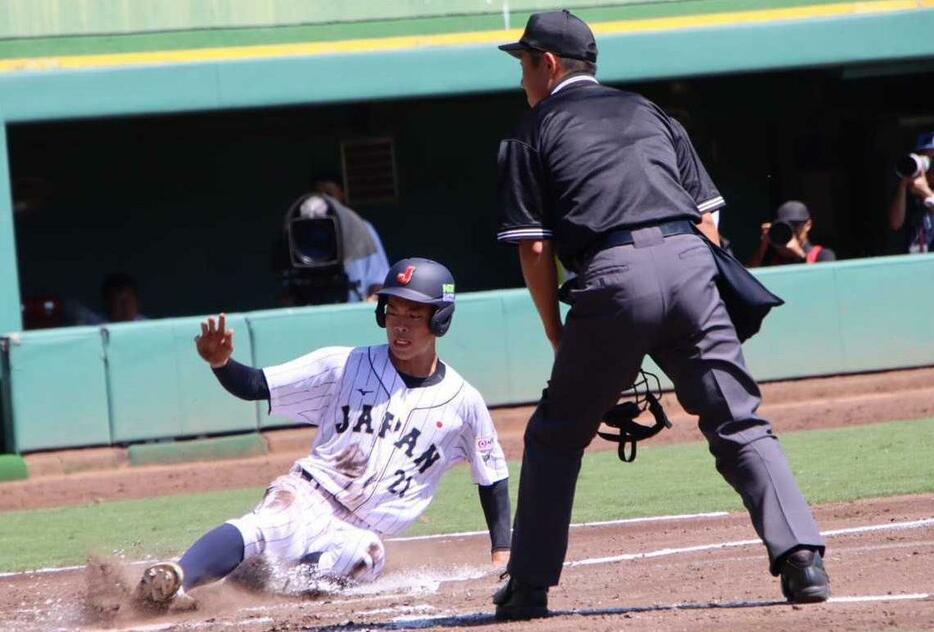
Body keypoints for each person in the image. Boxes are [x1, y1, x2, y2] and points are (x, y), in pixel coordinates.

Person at [492, 10, 829, 620]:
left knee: (554, 435)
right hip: (690, 265)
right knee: (739, 420)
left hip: (612, 276)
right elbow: (709, 220)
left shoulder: (530, 130)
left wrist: (557, 332)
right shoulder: (649, 112)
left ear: (547, 64)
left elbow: (536, 248)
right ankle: (802, 558)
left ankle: (528, 587)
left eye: (523, 63)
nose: (521, 78)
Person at [134, 258, 511, 609]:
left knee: (360, 557)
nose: (401, 324)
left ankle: (261, 579)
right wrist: (221, 363)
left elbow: (492, 476)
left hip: (364, 530)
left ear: (440, 320)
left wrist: (502, 552)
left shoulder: (463, 402)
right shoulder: (343, 364)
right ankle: (175, 578)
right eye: (393, 311)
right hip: (309, 493)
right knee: (266, 526)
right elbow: (254, 385)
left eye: (414, 314)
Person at [311, 178, 390, 302]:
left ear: (342, 195)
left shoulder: (362, 228)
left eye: (330, 194)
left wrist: (371, 303)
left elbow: (379, 279)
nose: (326, 201)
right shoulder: (304, 233)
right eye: (320, 196)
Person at [747, 200, 836, 267]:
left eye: (795, 225)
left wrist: (800, 256)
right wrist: (764, 246)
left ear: (808, 225)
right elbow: (747, 279)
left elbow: (822, 283)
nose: (791, 230)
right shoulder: (771, 257)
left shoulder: (822, 255)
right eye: (785, 225)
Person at [887, 131, 934, 253]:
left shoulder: (923, 190)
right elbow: (896, 223)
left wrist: (926, 192)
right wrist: (903, 186)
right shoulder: (911, 189)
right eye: (925, 157)